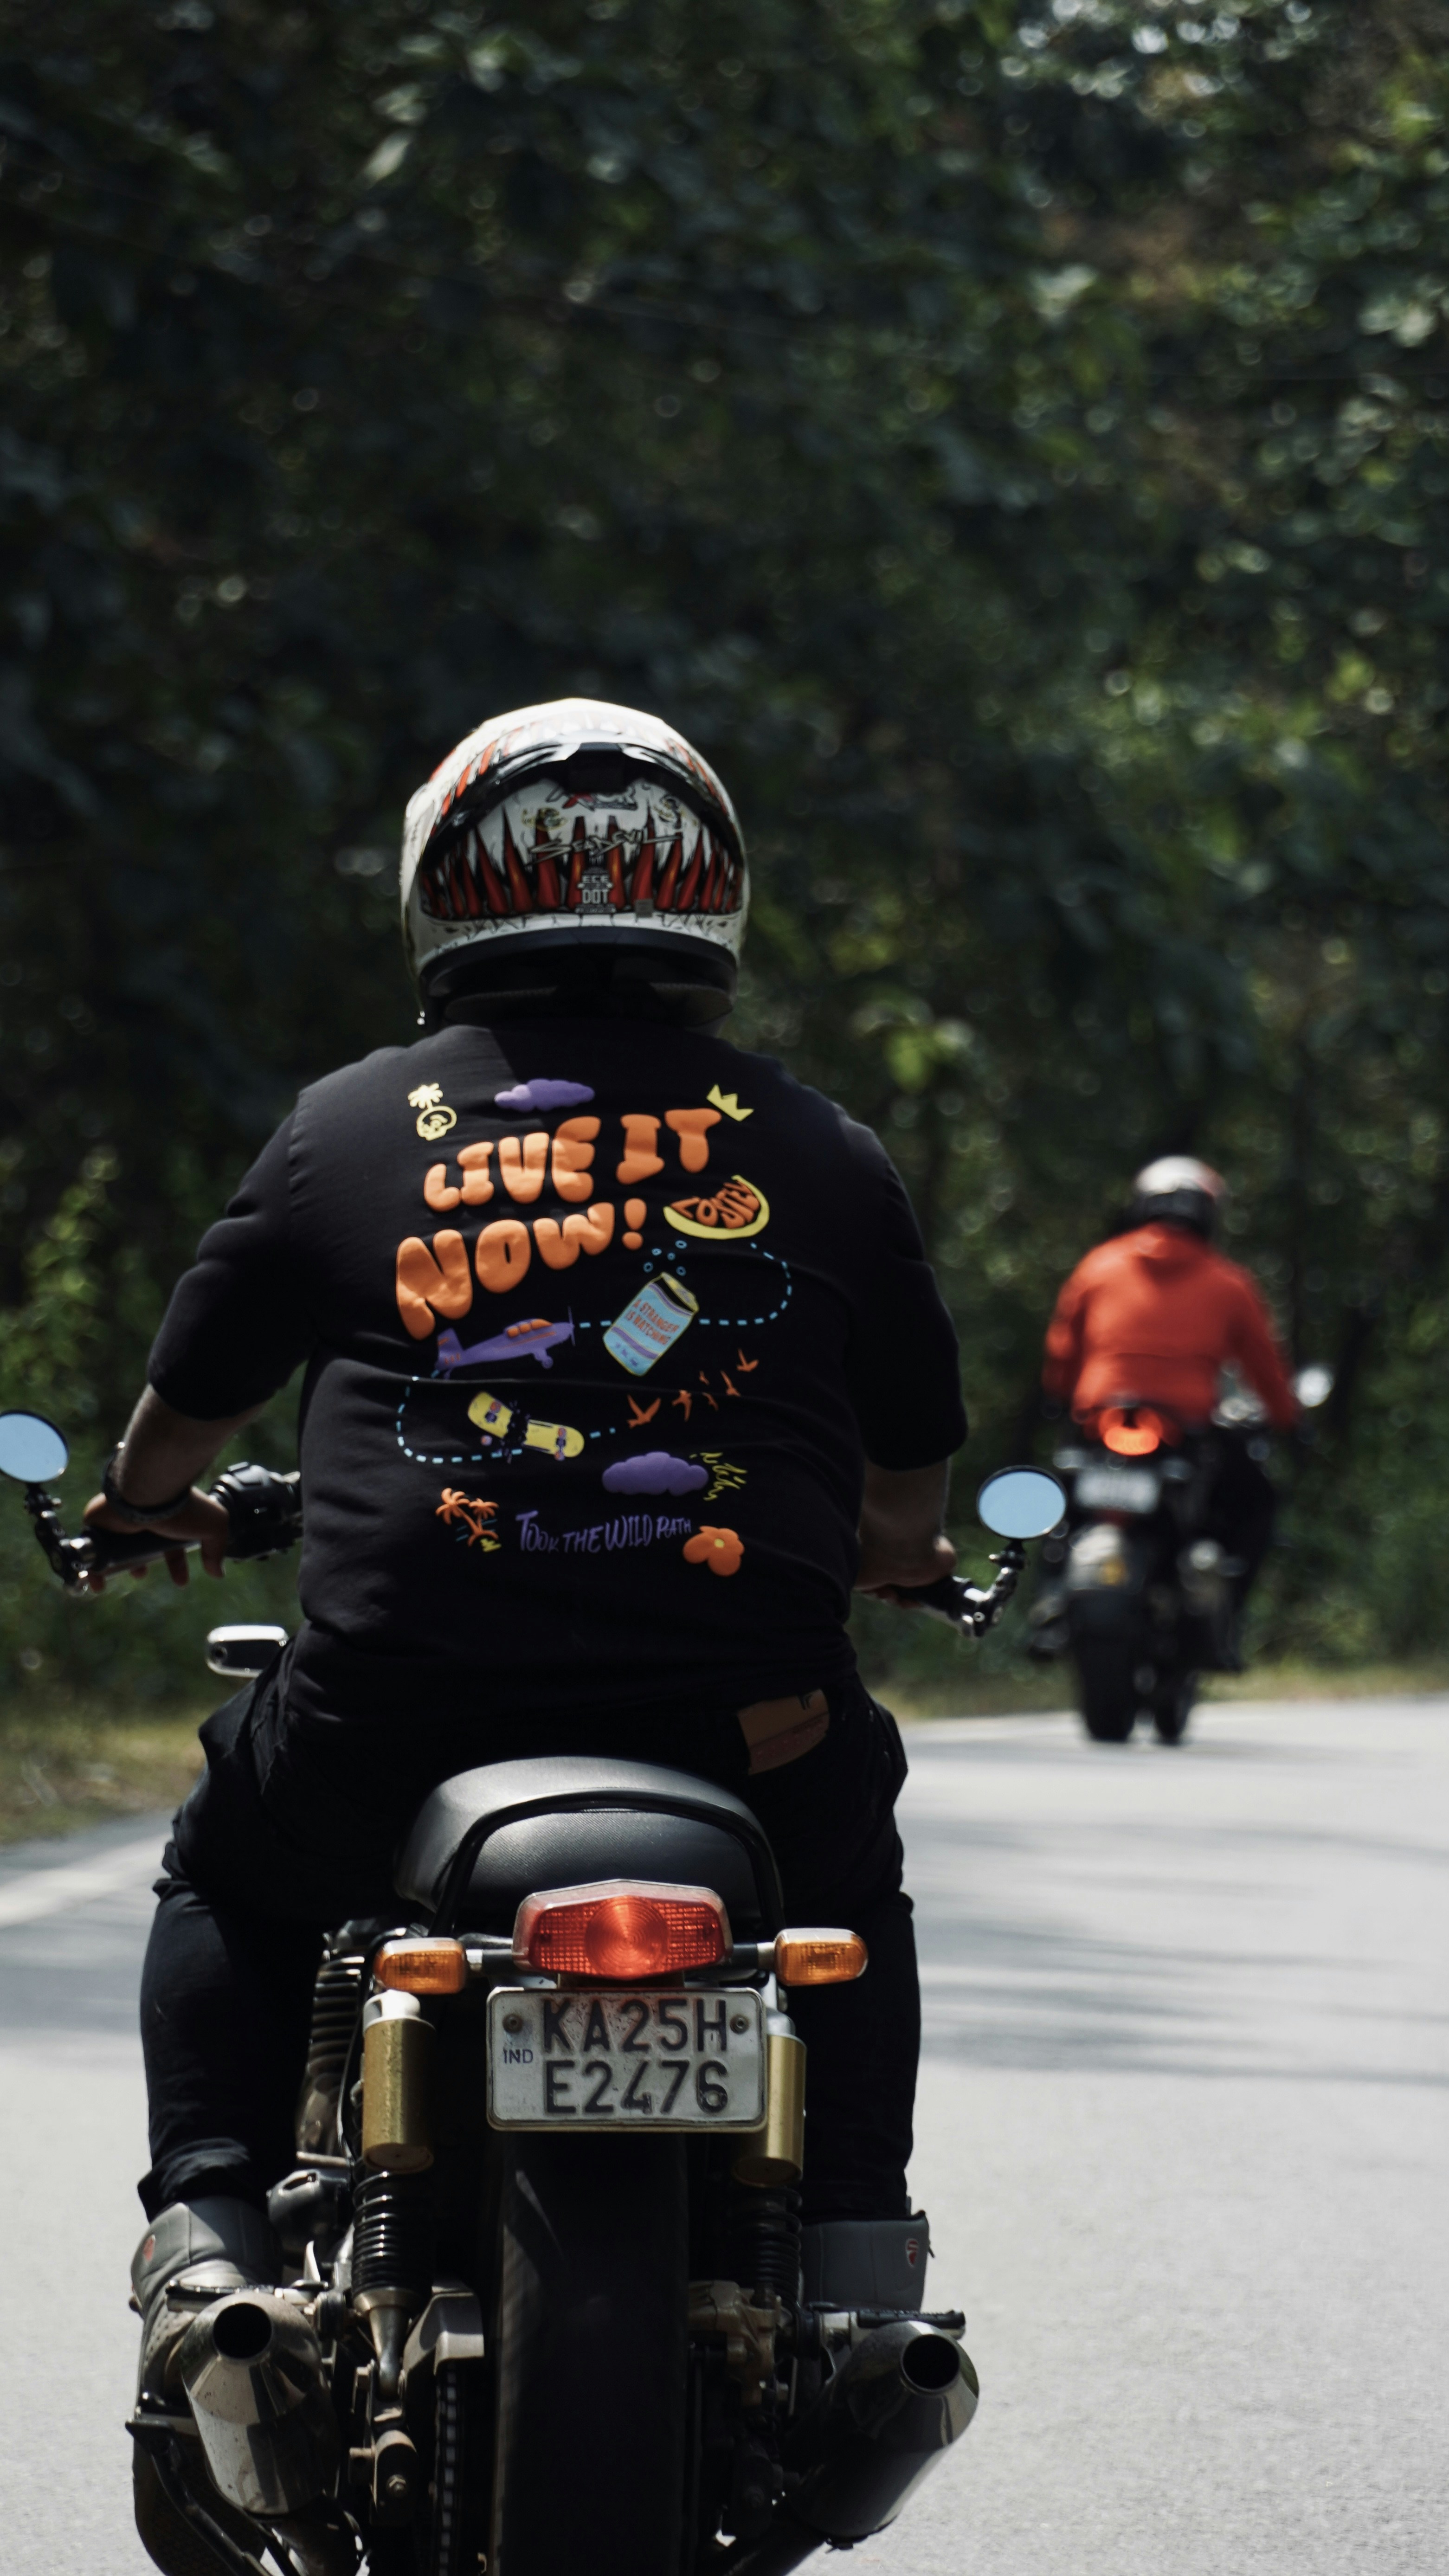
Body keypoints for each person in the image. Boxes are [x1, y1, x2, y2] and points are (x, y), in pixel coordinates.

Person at [92, 700, 967, 2563]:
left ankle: (217, 2237)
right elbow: (905, 1487)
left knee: (227, 1879)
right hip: (745, 1727)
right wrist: (889, 1551)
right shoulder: (817, 1147)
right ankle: (861, 2270)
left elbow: (183, 1411)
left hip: (397, 1717)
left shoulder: (346, 1130)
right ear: (707, 892)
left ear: (441, 887)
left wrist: (146, 1503)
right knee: (847, 1880)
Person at [1041, 1154, 1298, 1610]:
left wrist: (1060, 1397)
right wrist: (1287, 1419)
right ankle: (1226, 1610)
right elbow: (1265, 1367)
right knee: (1257, 1500)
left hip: (1101, 1417)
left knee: (1056, 1503)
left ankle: (1047, 1593)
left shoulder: (1098, 1266)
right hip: (1186, 1424)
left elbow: (1063, 1349)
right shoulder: (1229, 1282)